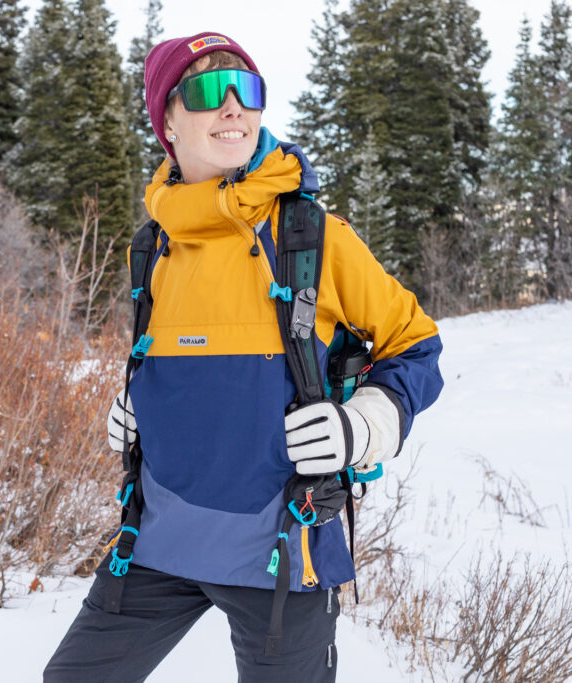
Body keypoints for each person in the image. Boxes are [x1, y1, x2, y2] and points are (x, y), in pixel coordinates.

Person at [43, 31, 443, 682]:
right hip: (158, 540)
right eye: (206, 89)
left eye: (247, 89)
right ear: (166, 119)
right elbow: (178, 357)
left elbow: (417, 344)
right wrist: (140, 400)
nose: (233, 106)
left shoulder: (313, 236)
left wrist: (365, 423)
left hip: (281, 551)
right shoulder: (151, 247)